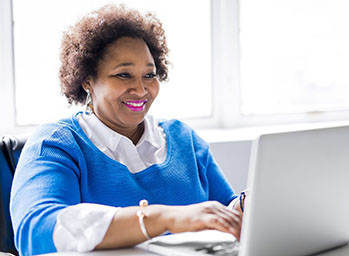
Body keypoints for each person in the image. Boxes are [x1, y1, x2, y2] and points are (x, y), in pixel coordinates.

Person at [10, 4, 245, 256]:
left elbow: (223, 215)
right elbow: (36, 230)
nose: (141, 90)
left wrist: (245, 206)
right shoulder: (56, 144)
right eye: (123, 75)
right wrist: (160, 218)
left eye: (149, 75)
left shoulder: (184, 138)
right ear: (87, 81)